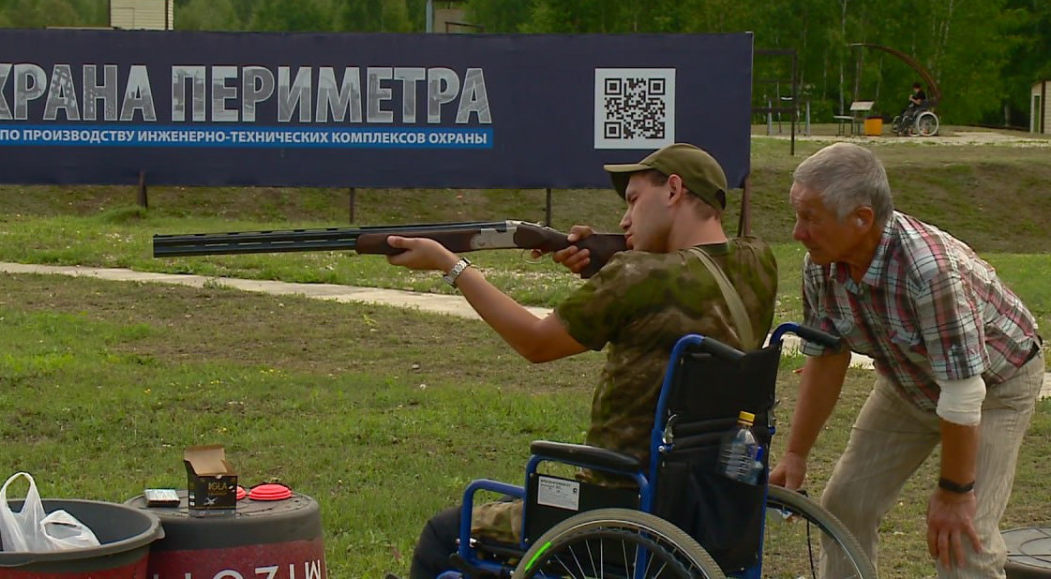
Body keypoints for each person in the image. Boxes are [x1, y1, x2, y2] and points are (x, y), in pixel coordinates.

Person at [385, 143, 779, 579]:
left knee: (445, 533)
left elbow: (535, 343)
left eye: (633, 200)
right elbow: (688, 280)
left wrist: (452, 265)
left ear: (673, 190)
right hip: (706, 506)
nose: (624, 220)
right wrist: (608, 263)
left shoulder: (635, 275)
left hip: (614, 504)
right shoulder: (760, 262)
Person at [772, 142, 1043, 577]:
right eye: (797, 215)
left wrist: (955, 493)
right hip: (910, 380)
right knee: (845, 505)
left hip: (995, 386)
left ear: (861, 219)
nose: (797, 233)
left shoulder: (930, 272)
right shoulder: (820, 266)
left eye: (810, 218)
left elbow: (962, 392)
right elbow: (827, 357)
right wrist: (796, 454)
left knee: (962, 537)